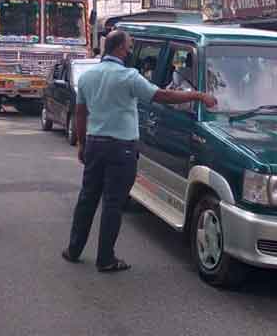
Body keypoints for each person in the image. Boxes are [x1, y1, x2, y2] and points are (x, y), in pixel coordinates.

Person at [62, 30, 217, 272]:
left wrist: (82, 143)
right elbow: (162, 96)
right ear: (120, 49)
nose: (130, 50)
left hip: (95, 144)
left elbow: (81, 114)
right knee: (113, 203)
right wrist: (199, 95)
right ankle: (105, 259)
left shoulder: (88, 77)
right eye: (129, 46)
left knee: (87, 198)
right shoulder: (129, 77)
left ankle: (73, 250)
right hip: (121, 148)